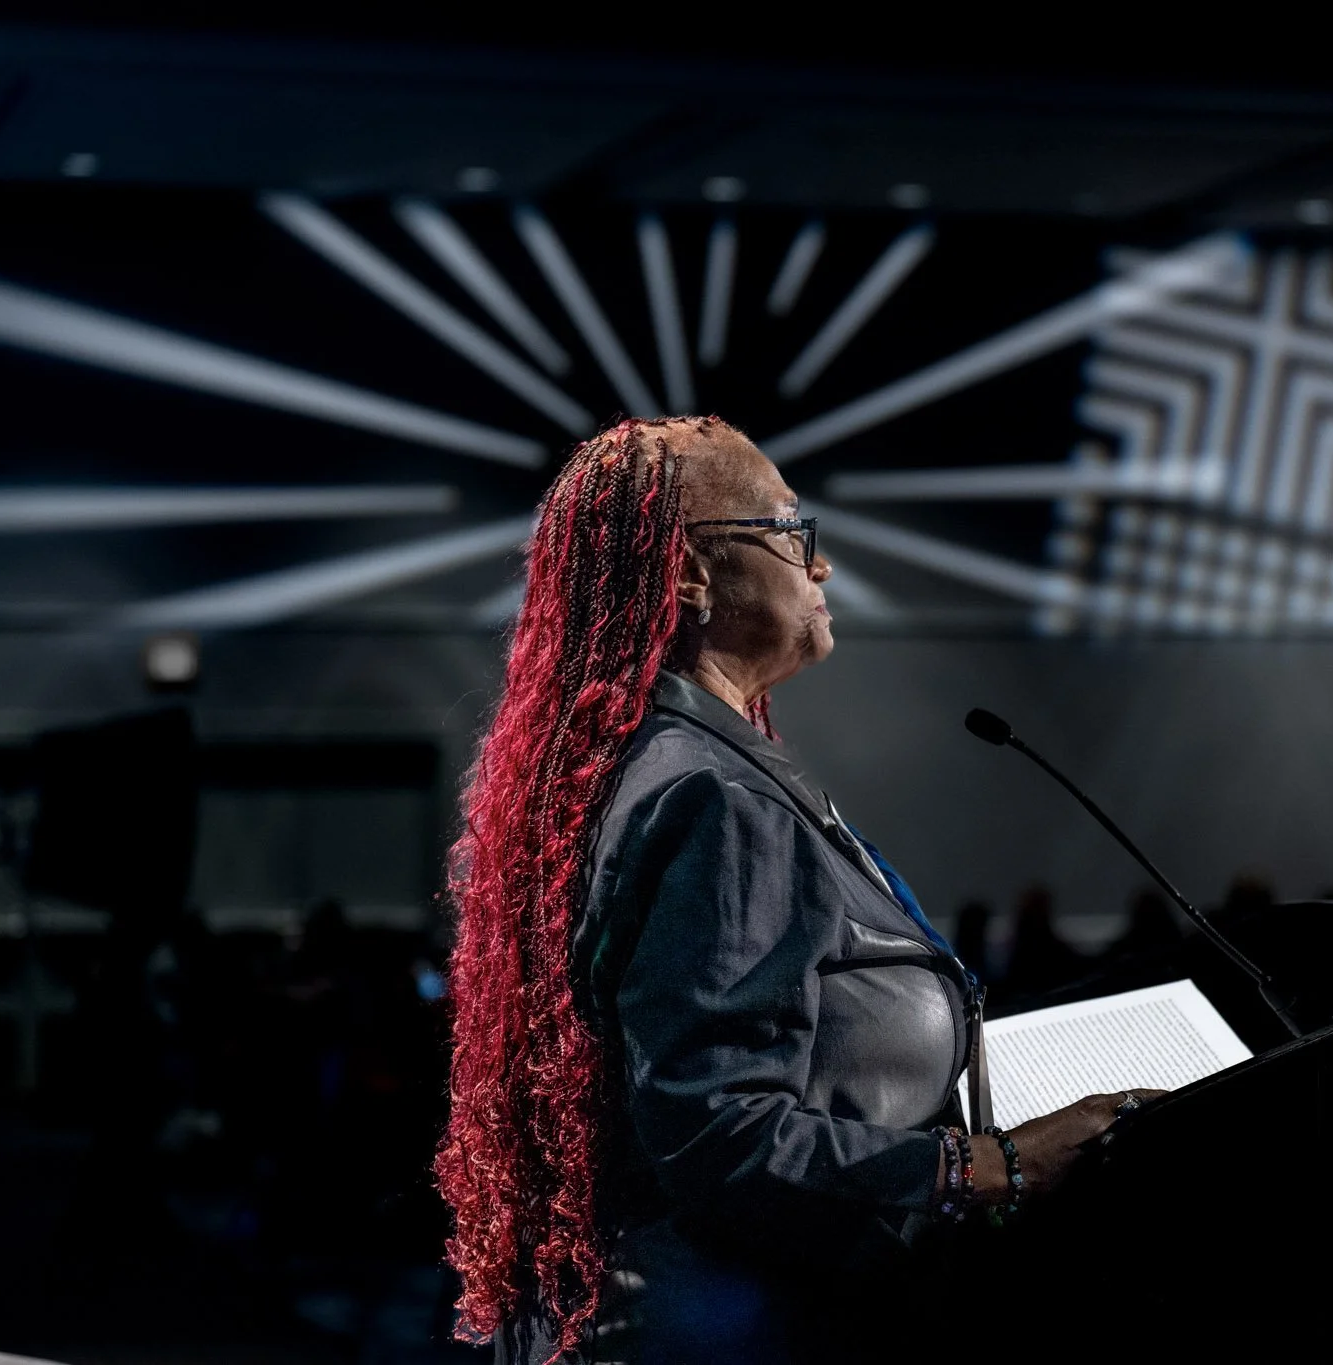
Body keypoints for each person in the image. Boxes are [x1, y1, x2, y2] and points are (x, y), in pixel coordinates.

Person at [436, 417, 1140, 1364]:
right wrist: (992, 1166)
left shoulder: (659, 769)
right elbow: (722, 1135)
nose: (824, 566)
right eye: (791, 532)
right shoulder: (710, 796)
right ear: (690, 572)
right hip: (732, 1331)